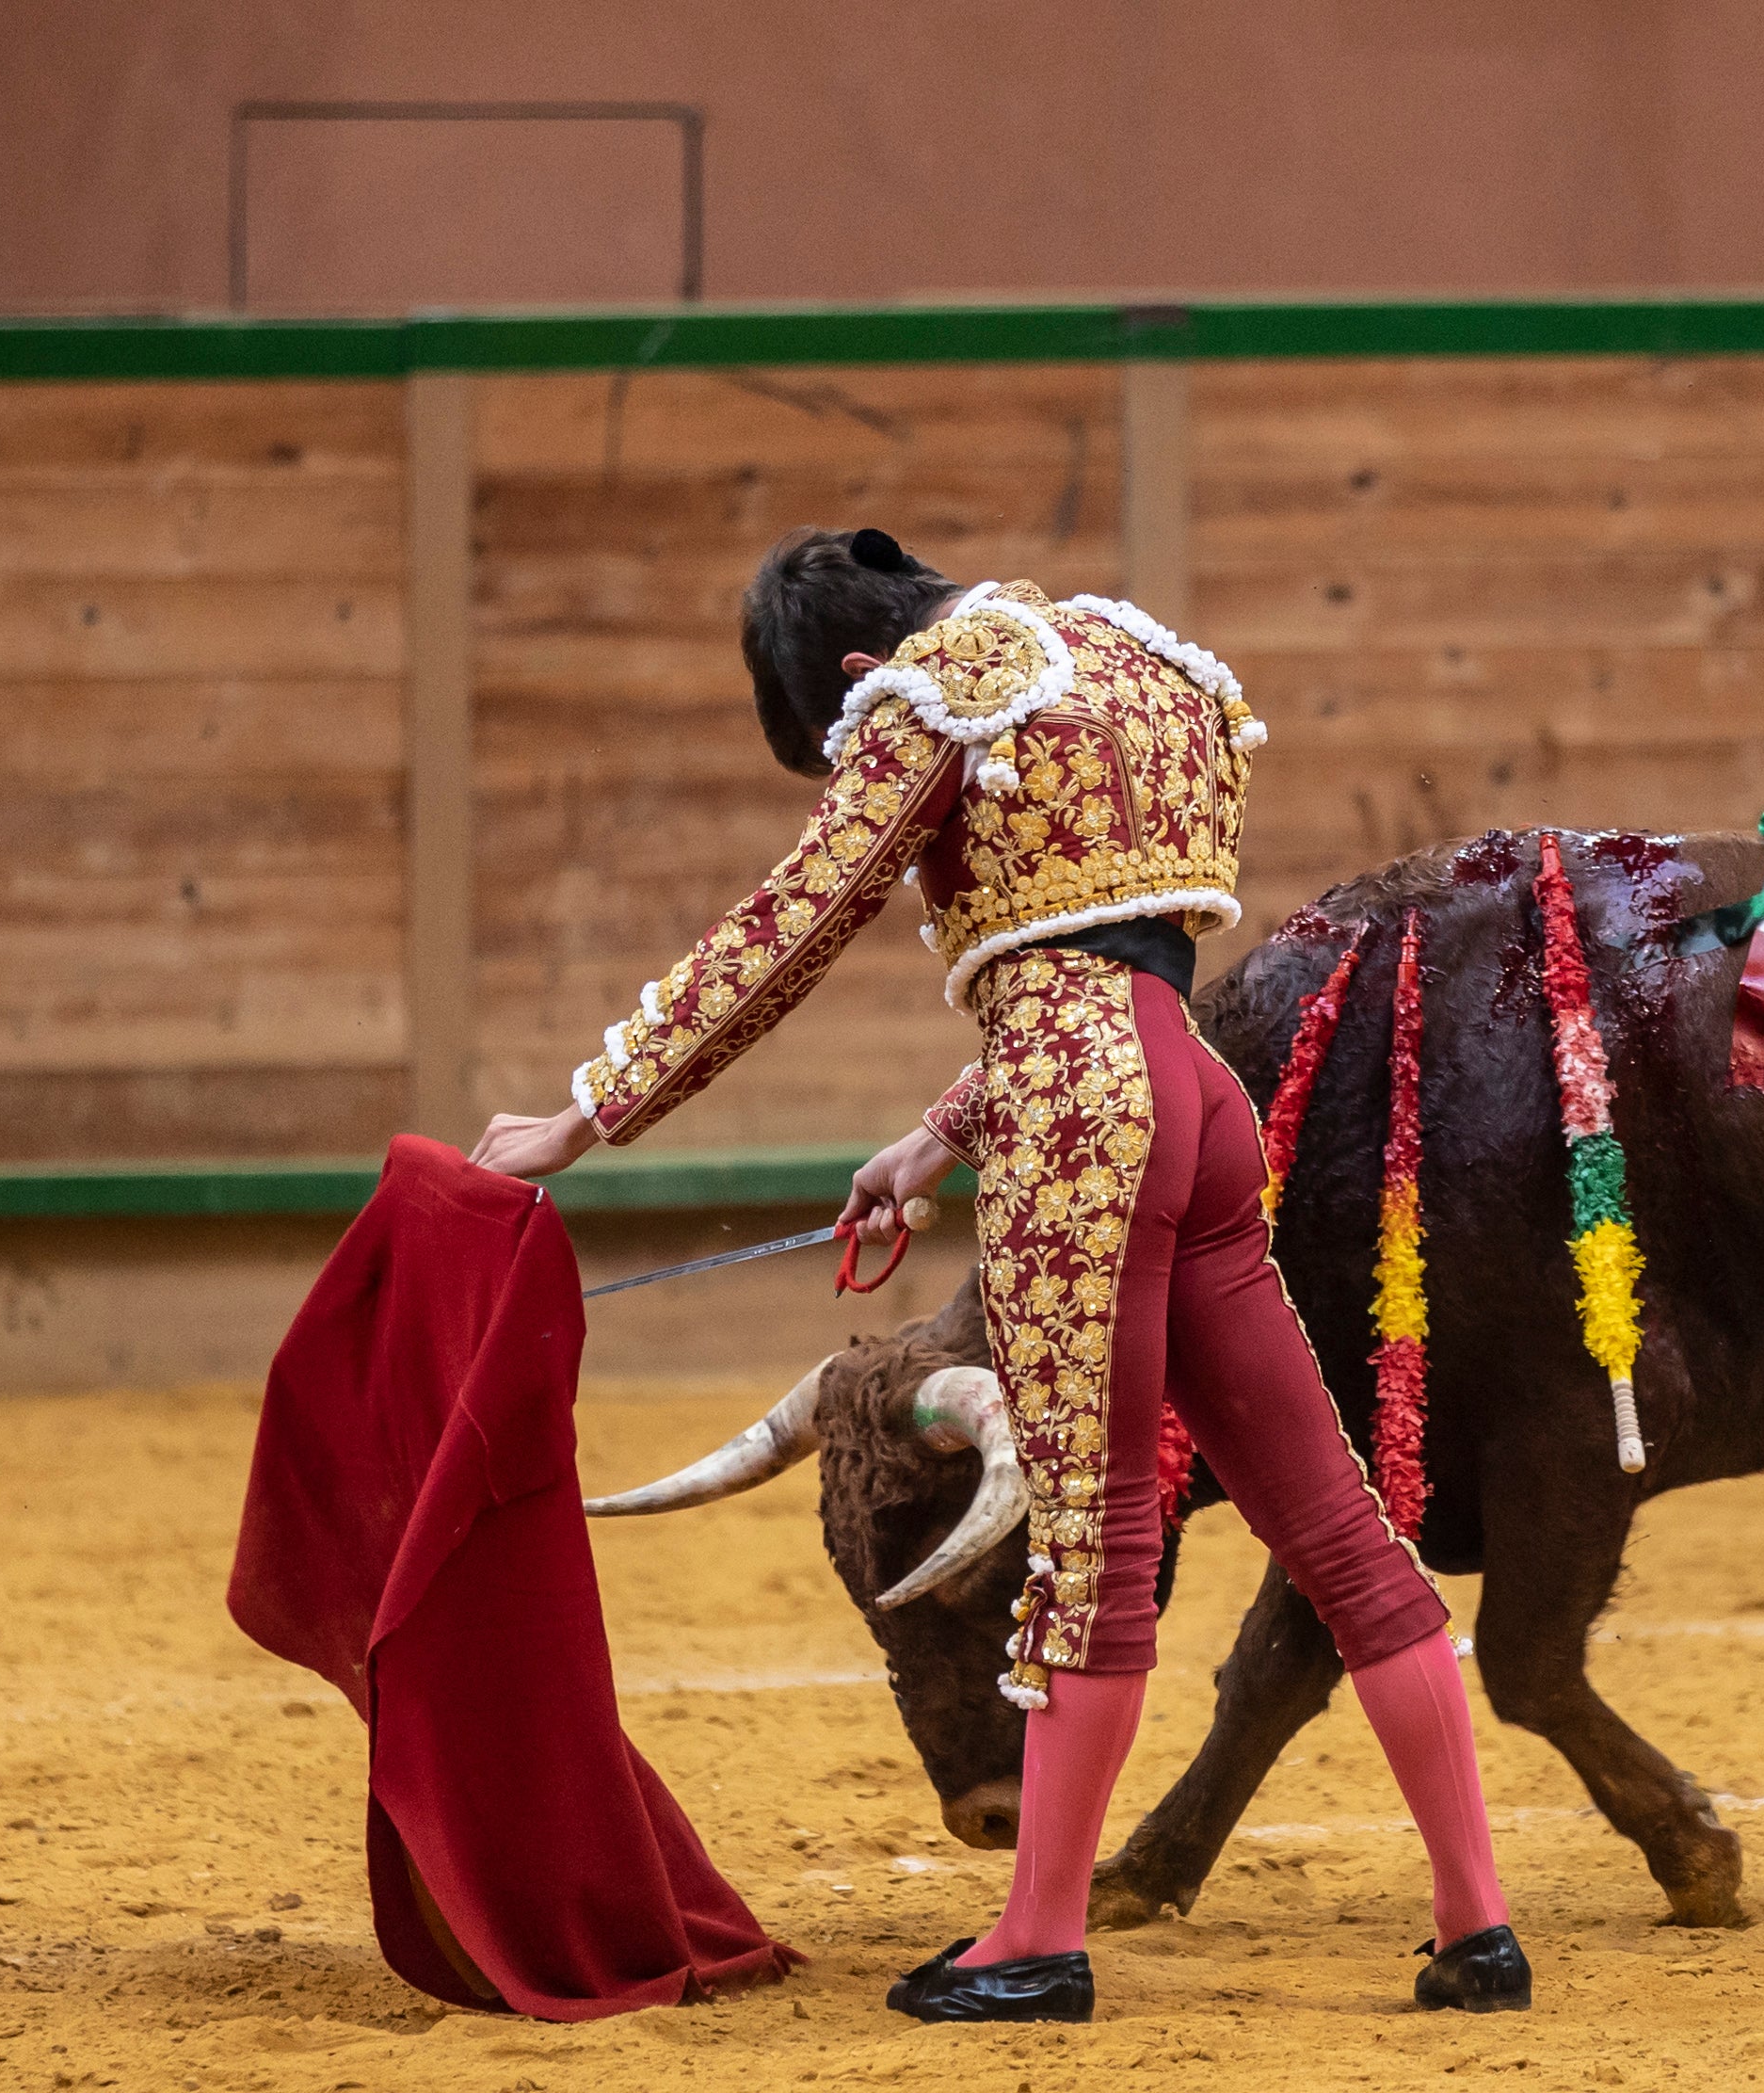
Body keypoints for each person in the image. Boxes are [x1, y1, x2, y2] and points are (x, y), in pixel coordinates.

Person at [469, 526, 1525, 2022]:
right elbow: (1121, 952)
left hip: (1080, 1117)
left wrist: (595, 1108)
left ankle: (1035, 1939)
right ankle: (1475, 1926)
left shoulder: (935, 688)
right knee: (1341, 1534)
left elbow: (794, 924)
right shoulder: (1146, 658)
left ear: (854, 669)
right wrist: (937, 1129)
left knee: (1090, 1543)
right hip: (1196, 1106)